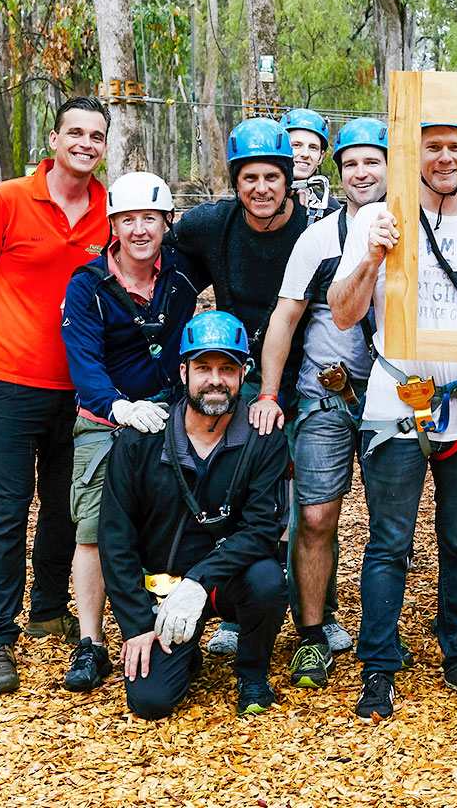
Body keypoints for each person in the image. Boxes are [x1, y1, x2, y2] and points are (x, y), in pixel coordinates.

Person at [328, 121, 457, 724]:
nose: (443, 158)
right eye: (430, 147)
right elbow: (342, 313)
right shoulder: (375, 219)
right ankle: (378, 669)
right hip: (395, 397)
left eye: (454, 148)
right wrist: (374, 257)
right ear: (413, 154)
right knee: (389, 540)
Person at [0, 96, 111, 694]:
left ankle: (47, 607)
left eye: (96, 135)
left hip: (82, 391)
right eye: (76, 132)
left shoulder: (109, 213)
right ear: (53, 138)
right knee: (6, 510)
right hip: (11, 385)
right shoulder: (9, 200)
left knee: (66, 511)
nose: (85, 144)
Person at [250, 117, 389, 688]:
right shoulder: (318, 237)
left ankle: (383, 633)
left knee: (391, 523)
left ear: (390, 164)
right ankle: (312, 633)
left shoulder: (416, 228)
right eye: (351, 162)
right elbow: (285, 317)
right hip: (325, 393)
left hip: (392, 393)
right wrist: (266, 392)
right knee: (314, 514)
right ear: (340, 170)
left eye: (372, 161)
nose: (361, 172)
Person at [99, 311, 289, 718]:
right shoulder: (141, 438)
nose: (215, 380)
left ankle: (252, 671)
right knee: (151, 703)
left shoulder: (263, 439)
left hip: (226, 581)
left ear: (244, 374)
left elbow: (261, 530)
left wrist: (199, 583)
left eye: (227, 368)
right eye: (203, 368)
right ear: (183, 372)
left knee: (269, 580)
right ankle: (183, 655)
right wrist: (135, 624)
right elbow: (115, 537)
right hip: (161, 587)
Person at [169, 116, 309, 655]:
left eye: (272, 177)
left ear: (288, 177)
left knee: (308, 504)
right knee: (233, 494)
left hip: (306, 378)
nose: (261, 188)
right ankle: (233, 609)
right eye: (249, 177)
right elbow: (160, 252)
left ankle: (310, 612)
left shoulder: (311, 230)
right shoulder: (210, 225)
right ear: (235, 181)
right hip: (236, 380)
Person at [59, 172, 200, 692]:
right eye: (127, 220)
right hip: (105, 419)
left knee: (173, 520)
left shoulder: (180, 277)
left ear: (166, 223)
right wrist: (118, 408)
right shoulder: (88, 285)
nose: (139, 230)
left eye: (150, 219)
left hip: (166, 416)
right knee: (93, 529)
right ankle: (91, 643)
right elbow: (84, 363)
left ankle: (170, 630)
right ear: (113, 224)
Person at [282, 107, 337, 223]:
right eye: (296, 145)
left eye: (313, 148)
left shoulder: (329, 209)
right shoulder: (255, 199)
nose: (305, 154)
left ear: (321, 157)